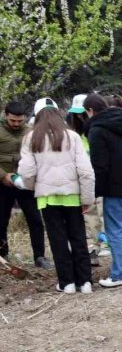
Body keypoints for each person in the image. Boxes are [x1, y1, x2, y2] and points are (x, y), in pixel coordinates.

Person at [17, 98, 95, 293]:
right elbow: (86, 171)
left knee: (57, 239)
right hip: (72, 196)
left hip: (47, 197)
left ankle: (66, 283)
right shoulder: (73, 136)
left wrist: (33, 186)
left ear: (37, 115)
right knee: (78, 238)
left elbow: (26, 171)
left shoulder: (31, 137)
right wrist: (87, 198)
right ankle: (85, 282)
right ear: (58, 113)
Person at [82, 94, 122, 288]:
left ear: (90, 111)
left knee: (115, 231)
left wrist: (94, 192)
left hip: (116, 187)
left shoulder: (97, 130)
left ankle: (120, 274)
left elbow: (99, 165)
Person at [0, 101, 51, 269]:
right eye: (13, 120)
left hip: (25, 183)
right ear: (6, 115)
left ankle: (40, 256)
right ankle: (3, 255)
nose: (16, 124)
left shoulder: (30, 132)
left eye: (20, 121)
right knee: (2, 220)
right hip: (3, 183)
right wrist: (3, 175)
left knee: (35, 220)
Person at [65, 95, 107, 266]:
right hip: (83, 177)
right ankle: (98, 242)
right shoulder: (73, 134)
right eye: (77, 115)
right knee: (89, 211)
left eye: (83, 113)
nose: (80, 118)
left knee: (103, 209)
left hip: (99, 174)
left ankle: (106, 242)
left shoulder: (96, 129)